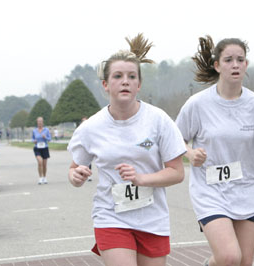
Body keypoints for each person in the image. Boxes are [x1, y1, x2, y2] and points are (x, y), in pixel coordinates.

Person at [67, 33, 186, 266]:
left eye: (132, 77)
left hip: (152, 218)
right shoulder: (91, 127)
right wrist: (76, 176)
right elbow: (73, 170)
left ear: (139, 84)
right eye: (118, 76)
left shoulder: (158, 120)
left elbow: (177, 172)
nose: (125, 81)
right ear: (105, 84)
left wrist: (142, 178)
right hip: (110, 217)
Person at [175, 35, 254, 266]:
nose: (235, 64)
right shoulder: (198, 104)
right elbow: (175, 139)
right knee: (229, 257)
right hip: (210, 192)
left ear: (246, 65)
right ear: (217, 65)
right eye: (228, 60)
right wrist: (190, 153)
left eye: (240, 59)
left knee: (244, 262)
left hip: (247, 191)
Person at [32, 116, 51, 185]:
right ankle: (40, 177)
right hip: (37, 148)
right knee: (40, 162)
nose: (39, 123)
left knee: (44, 164)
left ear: (43, 122)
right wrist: (34, 141)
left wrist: (45, 137)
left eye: (41, 121)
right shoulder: (34, 130)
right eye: (38, 121)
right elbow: (32, 139)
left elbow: (49, 139)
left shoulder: (46, 130)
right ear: (37, 122)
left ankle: (44, 177)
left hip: (45, 148)